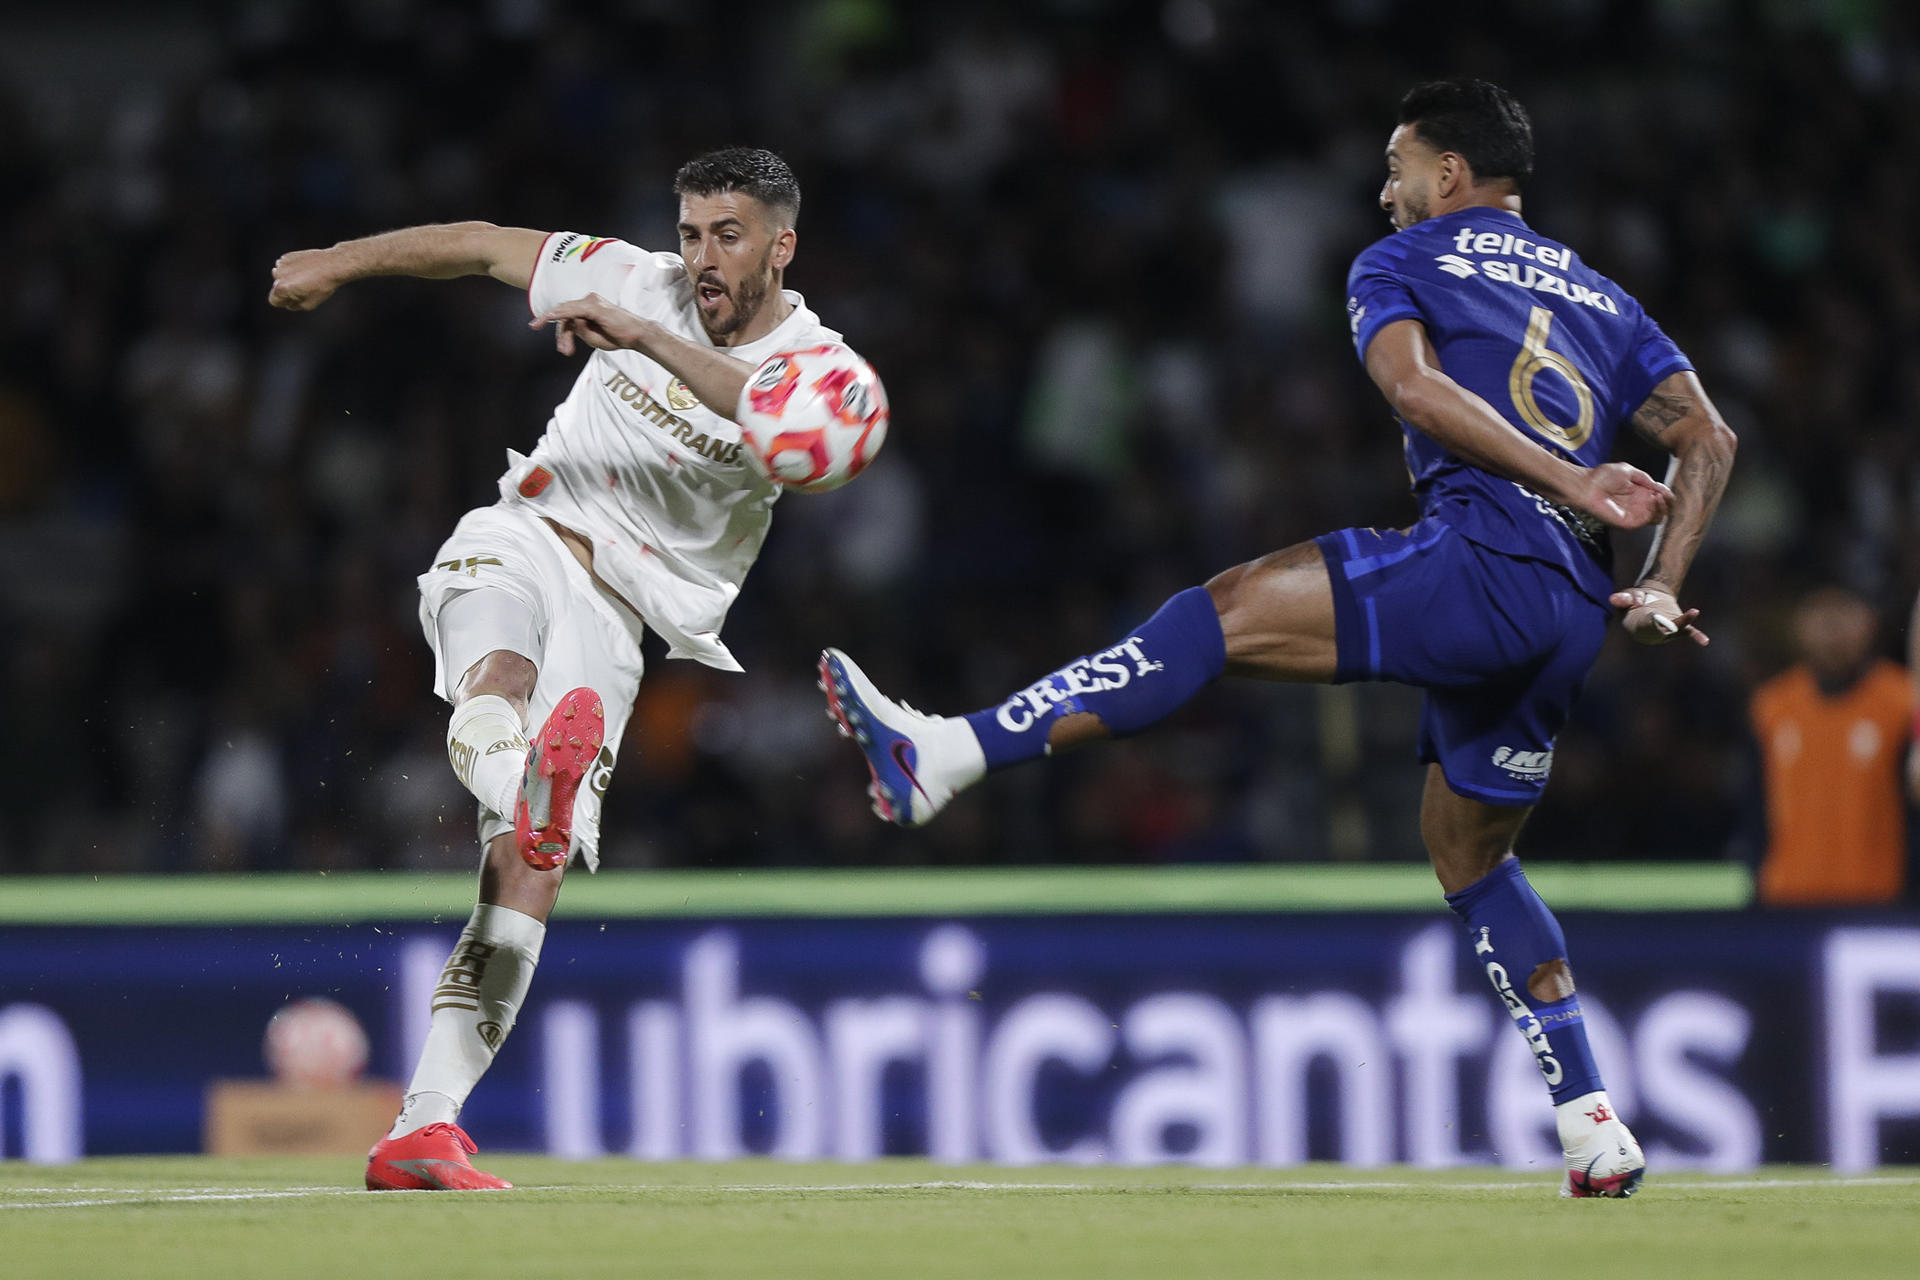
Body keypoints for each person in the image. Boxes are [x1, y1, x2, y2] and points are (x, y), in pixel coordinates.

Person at [820, 79, 1735, 1197]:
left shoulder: (1400, 260)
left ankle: (947, 753)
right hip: (1571, 611)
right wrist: (1660, 581)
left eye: (1398, 165)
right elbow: (1710, 437)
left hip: (1484, 558)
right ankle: (1592, 1124)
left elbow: (1415, 389)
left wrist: (1569, 480)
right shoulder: (1603, 294)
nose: (1385, 189)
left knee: (1219, 612)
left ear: (1449, 173)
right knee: (1473, 858)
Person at [269, 148, 847, 1190]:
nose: (701, 257)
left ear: (781, 245)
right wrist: (336, 261)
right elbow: (480, 243)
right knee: (495, 675)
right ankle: (530, 784)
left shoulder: (819, 368)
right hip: (527, 533)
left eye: (727, 235)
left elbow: (780, 415)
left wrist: (643, 336)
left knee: (526, 870)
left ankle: (422, 1127)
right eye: (690, 233)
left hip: (619, 624)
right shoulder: (630, 274)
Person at [1750, 587, 1912, 905]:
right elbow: (1754, 809)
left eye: (1844, 616)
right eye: (1821, 617)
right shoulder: (1771, 707)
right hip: (1788, 897)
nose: (1832, 632)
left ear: (1870, 623)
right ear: (1799, 627)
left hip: (1879, 899)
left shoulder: (1903, 703)